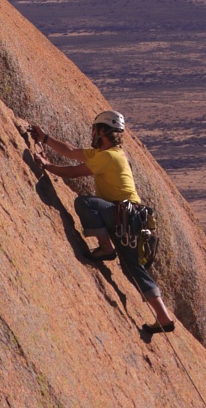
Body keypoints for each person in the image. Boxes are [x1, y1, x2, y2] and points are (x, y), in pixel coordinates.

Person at [27, 109, 177, 334]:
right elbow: (71, 151)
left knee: (85, 203)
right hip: (130, 219)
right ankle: (163, 318)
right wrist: (45, 139)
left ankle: (106, 247)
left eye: (95, 129)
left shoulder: (109, 156)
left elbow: (76, 171)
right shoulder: (109, 153)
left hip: (124, 216)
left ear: (102, 131)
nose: (92, 133)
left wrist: (47, 166)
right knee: (134, 269)